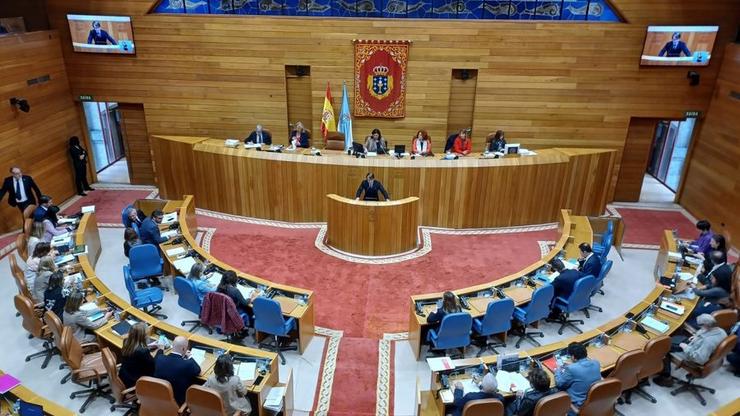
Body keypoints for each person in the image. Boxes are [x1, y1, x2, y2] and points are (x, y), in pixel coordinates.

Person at [653, 314, 727, 386]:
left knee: (663, 347)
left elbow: (699, 359)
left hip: (693, 355)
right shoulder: (721, 331)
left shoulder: (708, 342)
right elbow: (703, 332)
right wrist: (696, 336)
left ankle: (666, 378)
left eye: (700, 325)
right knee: (674, 339)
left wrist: (685, 347)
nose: (700, 327)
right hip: (696, 347)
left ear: (706, 325)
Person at [153, 335, 201, 405]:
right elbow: (198, 370)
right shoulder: (187, 364)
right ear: (184, 349)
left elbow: (157, 356)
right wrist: (190, 356)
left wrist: (160, 349)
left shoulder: (159, 358)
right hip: (177, 402)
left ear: (172, 345)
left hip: (157, 398)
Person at [555, 342, 602, 407]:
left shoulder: (571, 369)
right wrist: (574, 365)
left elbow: (559, 383)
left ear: (573, 357)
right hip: (593, 400)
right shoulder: (596, 363)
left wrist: (557, 370)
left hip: (578, 404)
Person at [119, 323, 155, 388]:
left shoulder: (126, 342)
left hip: (124, 376)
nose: (148, 336)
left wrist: (147, 347)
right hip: (135, 383)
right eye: (147, 335)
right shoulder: (142, 351)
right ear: (143, 336)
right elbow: (153, 365)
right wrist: (160, 350)